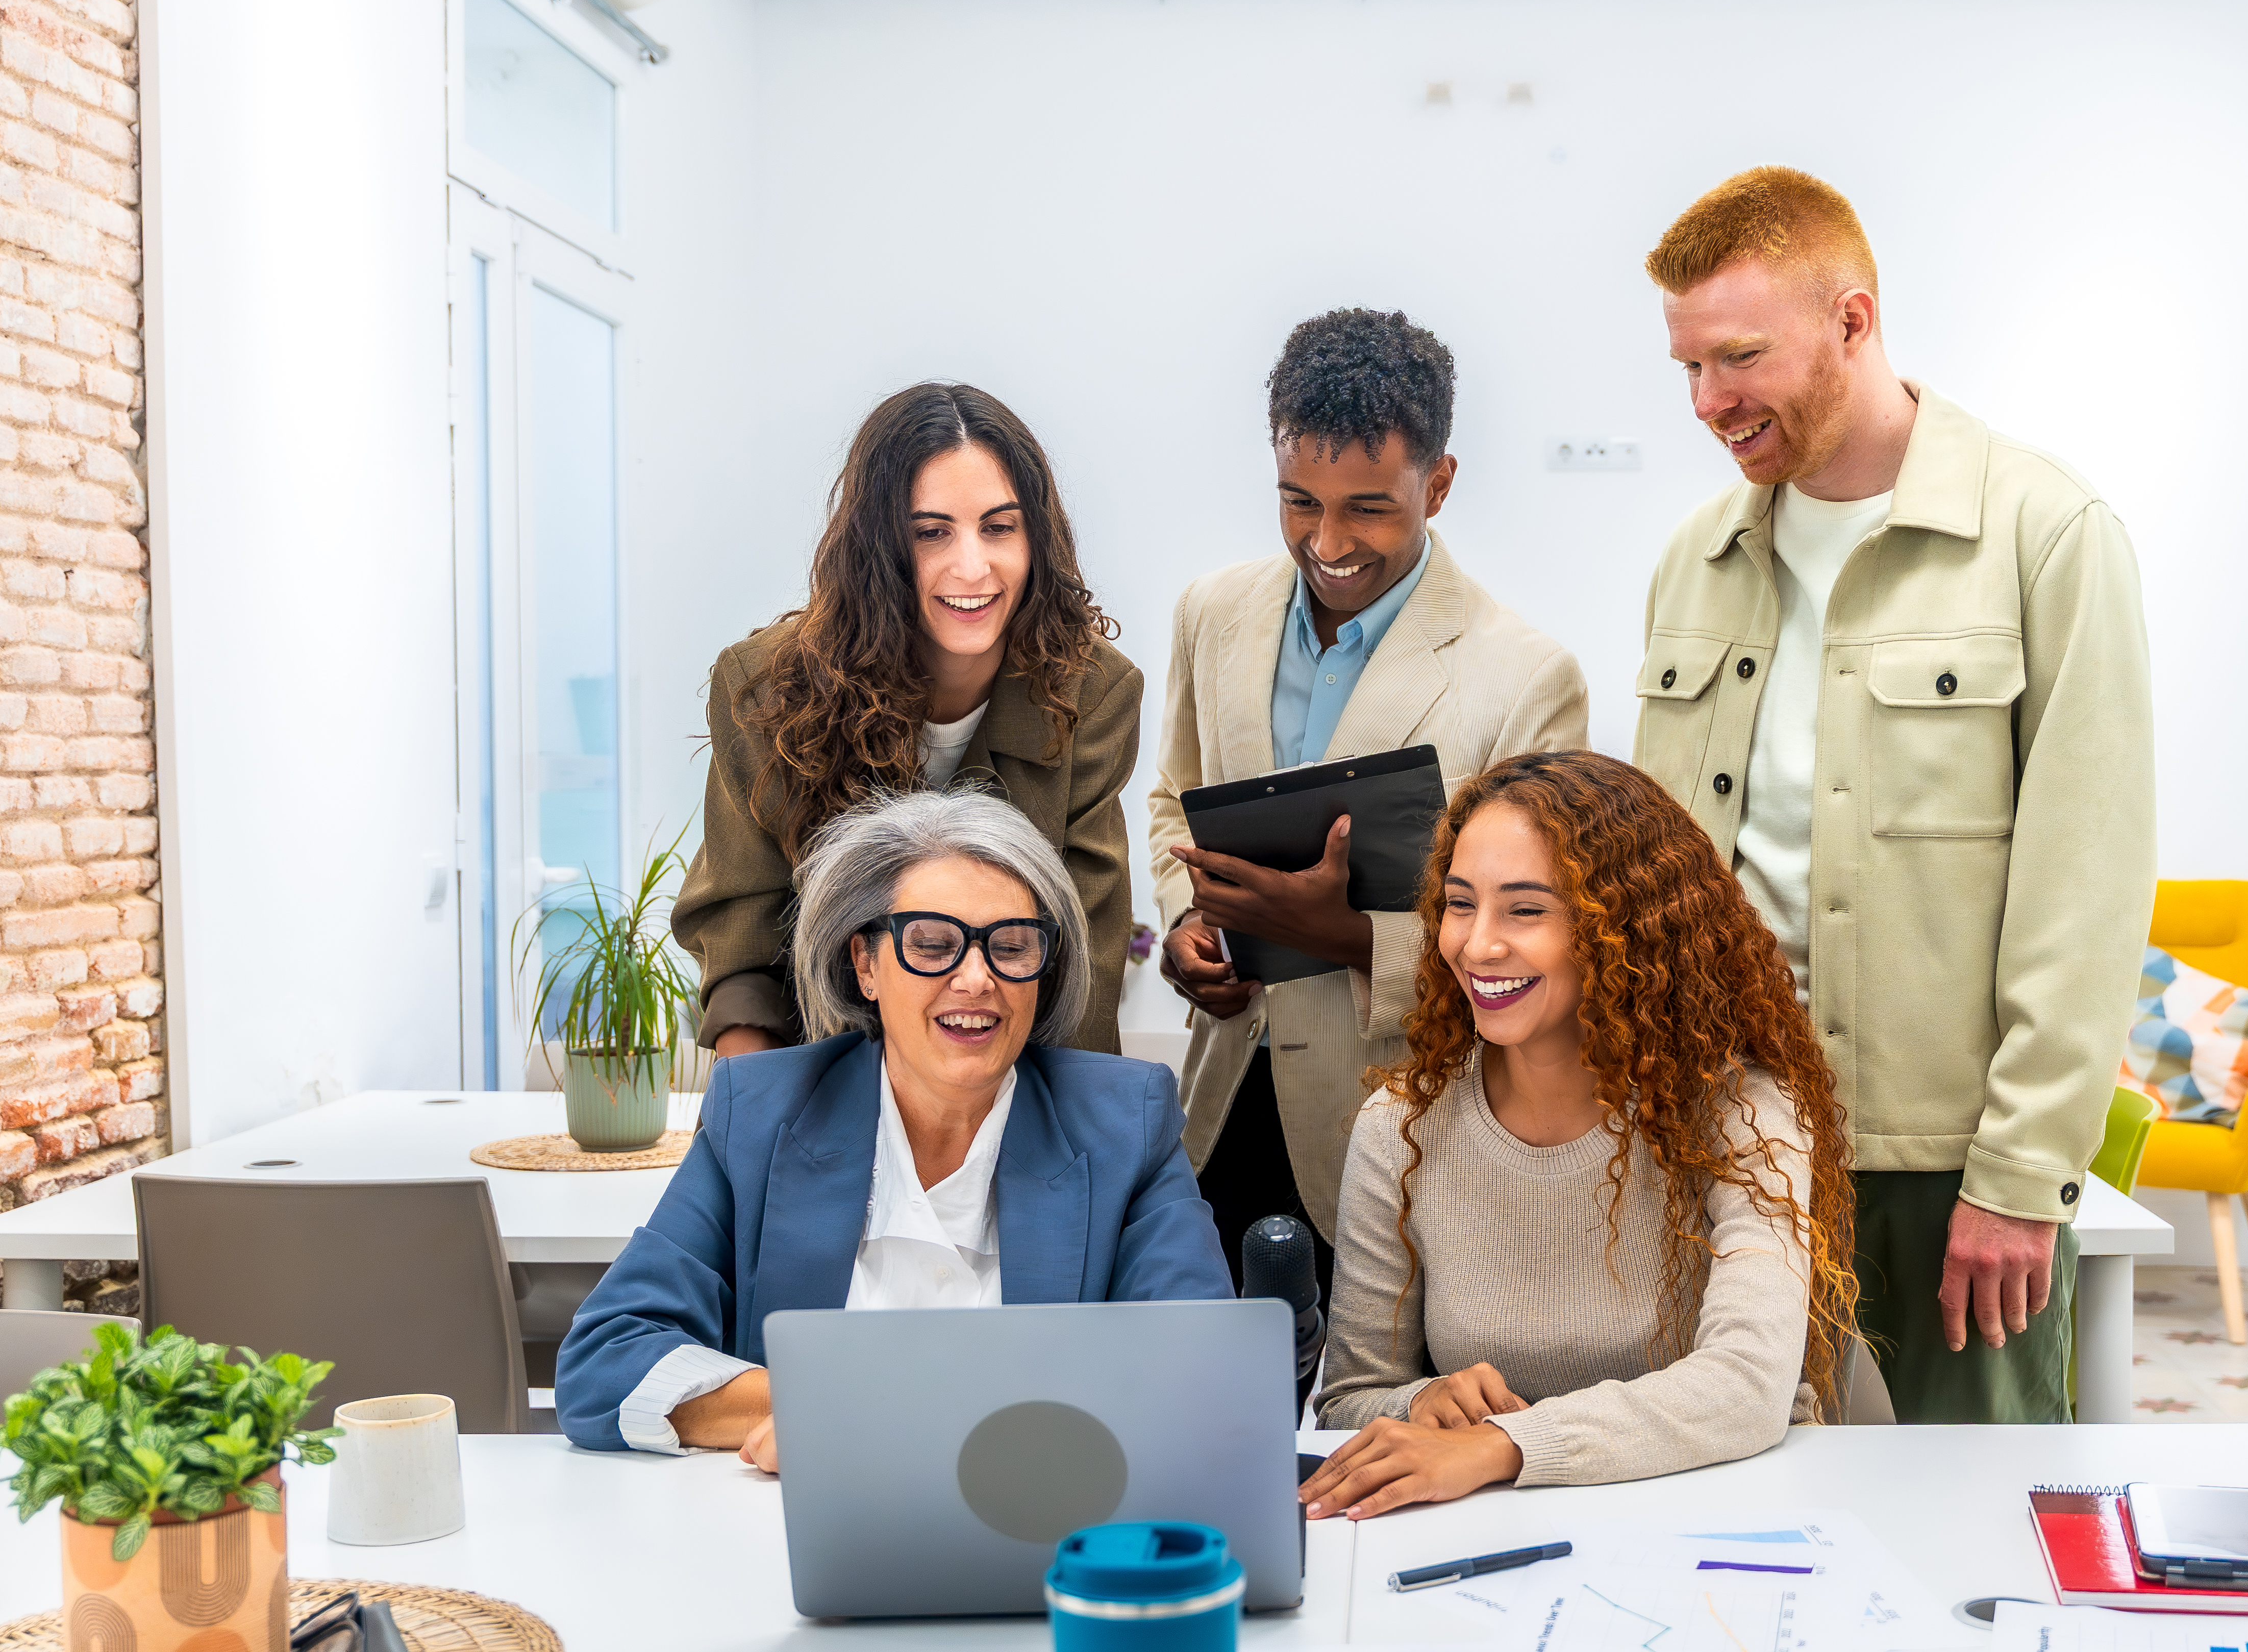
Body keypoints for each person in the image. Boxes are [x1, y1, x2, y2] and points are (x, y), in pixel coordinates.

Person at [1633, 167, 2154, 1428]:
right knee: (1739, 1528)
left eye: (1741, 358)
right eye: (1690, 367)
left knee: (1970, 1535)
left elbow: (2086, 886)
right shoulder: (1694, 559)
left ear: (1853, 322)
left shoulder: (2046, 532)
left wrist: (2024, 1173)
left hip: (1941, 1164)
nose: (1711, 402)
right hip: (1723, 1138)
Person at [559, 790, 1229, 1462]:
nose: (976, 979)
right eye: (933, 944)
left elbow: (1200, 1374)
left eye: (1012, 947)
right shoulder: (764, 1113)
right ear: (866, 964)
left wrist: (870, 1406)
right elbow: (603, 1364)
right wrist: (824, 1405)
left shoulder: (1124, 1124)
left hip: (1035, 1539)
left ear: (1042, 972)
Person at [1298, 751, 1868, 1521]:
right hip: (1499, 1540)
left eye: (1525, 910)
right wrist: (1424, 1401)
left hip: (1728, 1522)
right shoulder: (1400, 1130)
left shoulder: (1743, 1115)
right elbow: (1349, 1402)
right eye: (1460, 905)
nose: (1477, 945)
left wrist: (1506, 1444)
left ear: (1623, 930)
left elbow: (1746, 1386)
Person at [1147, 308, 1587, 1276]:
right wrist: (1191, 927)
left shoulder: (1526, 678)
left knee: (1373, 1420)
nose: (1328, 540)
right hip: (1219, 1110)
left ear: (1439, 483)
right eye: (1299, 501)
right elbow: (1176, 796)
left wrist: (1343, 937)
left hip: (1398, 1131)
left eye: (1369, 508)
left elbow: (1544, 938)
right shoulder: (1212, 614)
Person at [676, 383, 1140, 1060]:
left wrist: (1059, 1147)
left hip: (1013, 1074)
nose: (972, 566)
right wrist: (756, 1129)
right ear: (877, 547)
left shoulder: (1094, 690)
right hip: (825, 1068)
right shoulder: (765, 690)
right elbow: (742, 940)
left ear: (1035, 539)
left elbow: (1082, 965)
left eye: (999, 527)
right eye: (931, 533)